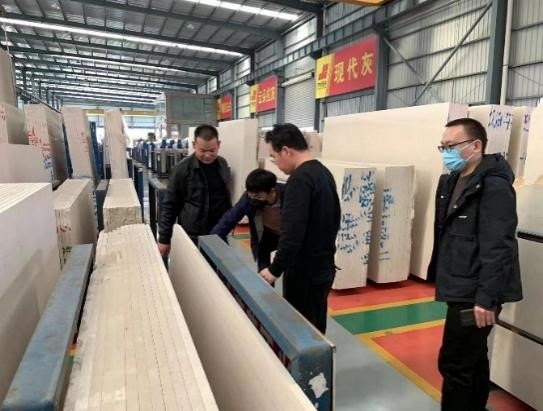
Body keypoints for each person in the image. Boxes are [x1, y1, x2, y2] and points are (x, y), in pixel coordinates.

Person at [427, 117, 523, 411]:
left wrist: (486, 299)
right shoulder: (451, 181)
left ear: (476, 145)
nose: (446, 153)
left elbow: (499, 246)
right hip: (459, 284)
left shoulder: (494, 187)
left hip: (477, 294)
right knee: (473, 357)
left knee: (455, 362)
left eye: (451, 146)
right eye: (442, 147)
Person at [259, 123, 341, 334]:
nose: (275, 163)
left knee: (300, 331)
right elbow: (335, 220)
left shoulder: (299, 180)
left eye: (274, 157)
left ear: (286, 151)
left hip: (304, 272)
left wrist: (274, 269)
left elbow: (292, 232)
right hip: (324, 266)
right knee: (316, 326)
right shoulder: (323, 173)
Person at [158, 124, 231, 255]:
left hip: (219, 232)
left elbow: (224, 196)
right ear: (194, 145)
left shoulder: (222, 164)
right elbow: (170, 206)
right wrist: (164, 239)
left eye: (212, 151)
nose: (207, 155)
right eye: (202, 151)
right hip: (193, 235)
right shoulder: (181, 170)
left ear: (219, 144)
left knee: (217, 267)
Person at [211, 169, 285, 271]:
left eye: (258, 196)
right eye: (251, 194)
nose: (254, 199)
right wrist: (213, 239)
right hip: (266, 235)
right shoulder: (249, 198)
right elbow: (229, 219)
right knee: (263, 270)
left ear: (272, 191)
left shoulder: (288, 194)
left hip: (288, 235)